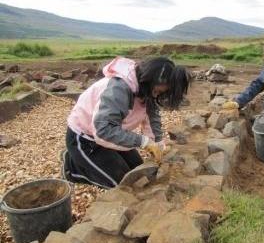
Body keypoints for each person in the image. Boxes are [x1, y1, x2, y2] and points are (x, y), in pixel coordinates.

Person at [61, 56, 190, 189]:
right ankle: (73, 167)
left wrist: (157, 142)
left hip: (113, 131)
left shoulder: (147, 87)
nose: (158, 95)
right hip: (86, 138)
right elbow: (103, 130)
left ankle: (90, 161)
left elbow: (152, 115)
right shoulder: (119, 89)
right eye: (158, 91)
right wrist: (144, 142)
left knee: (138, 172)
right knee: (121, 184)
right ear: (151, 80)